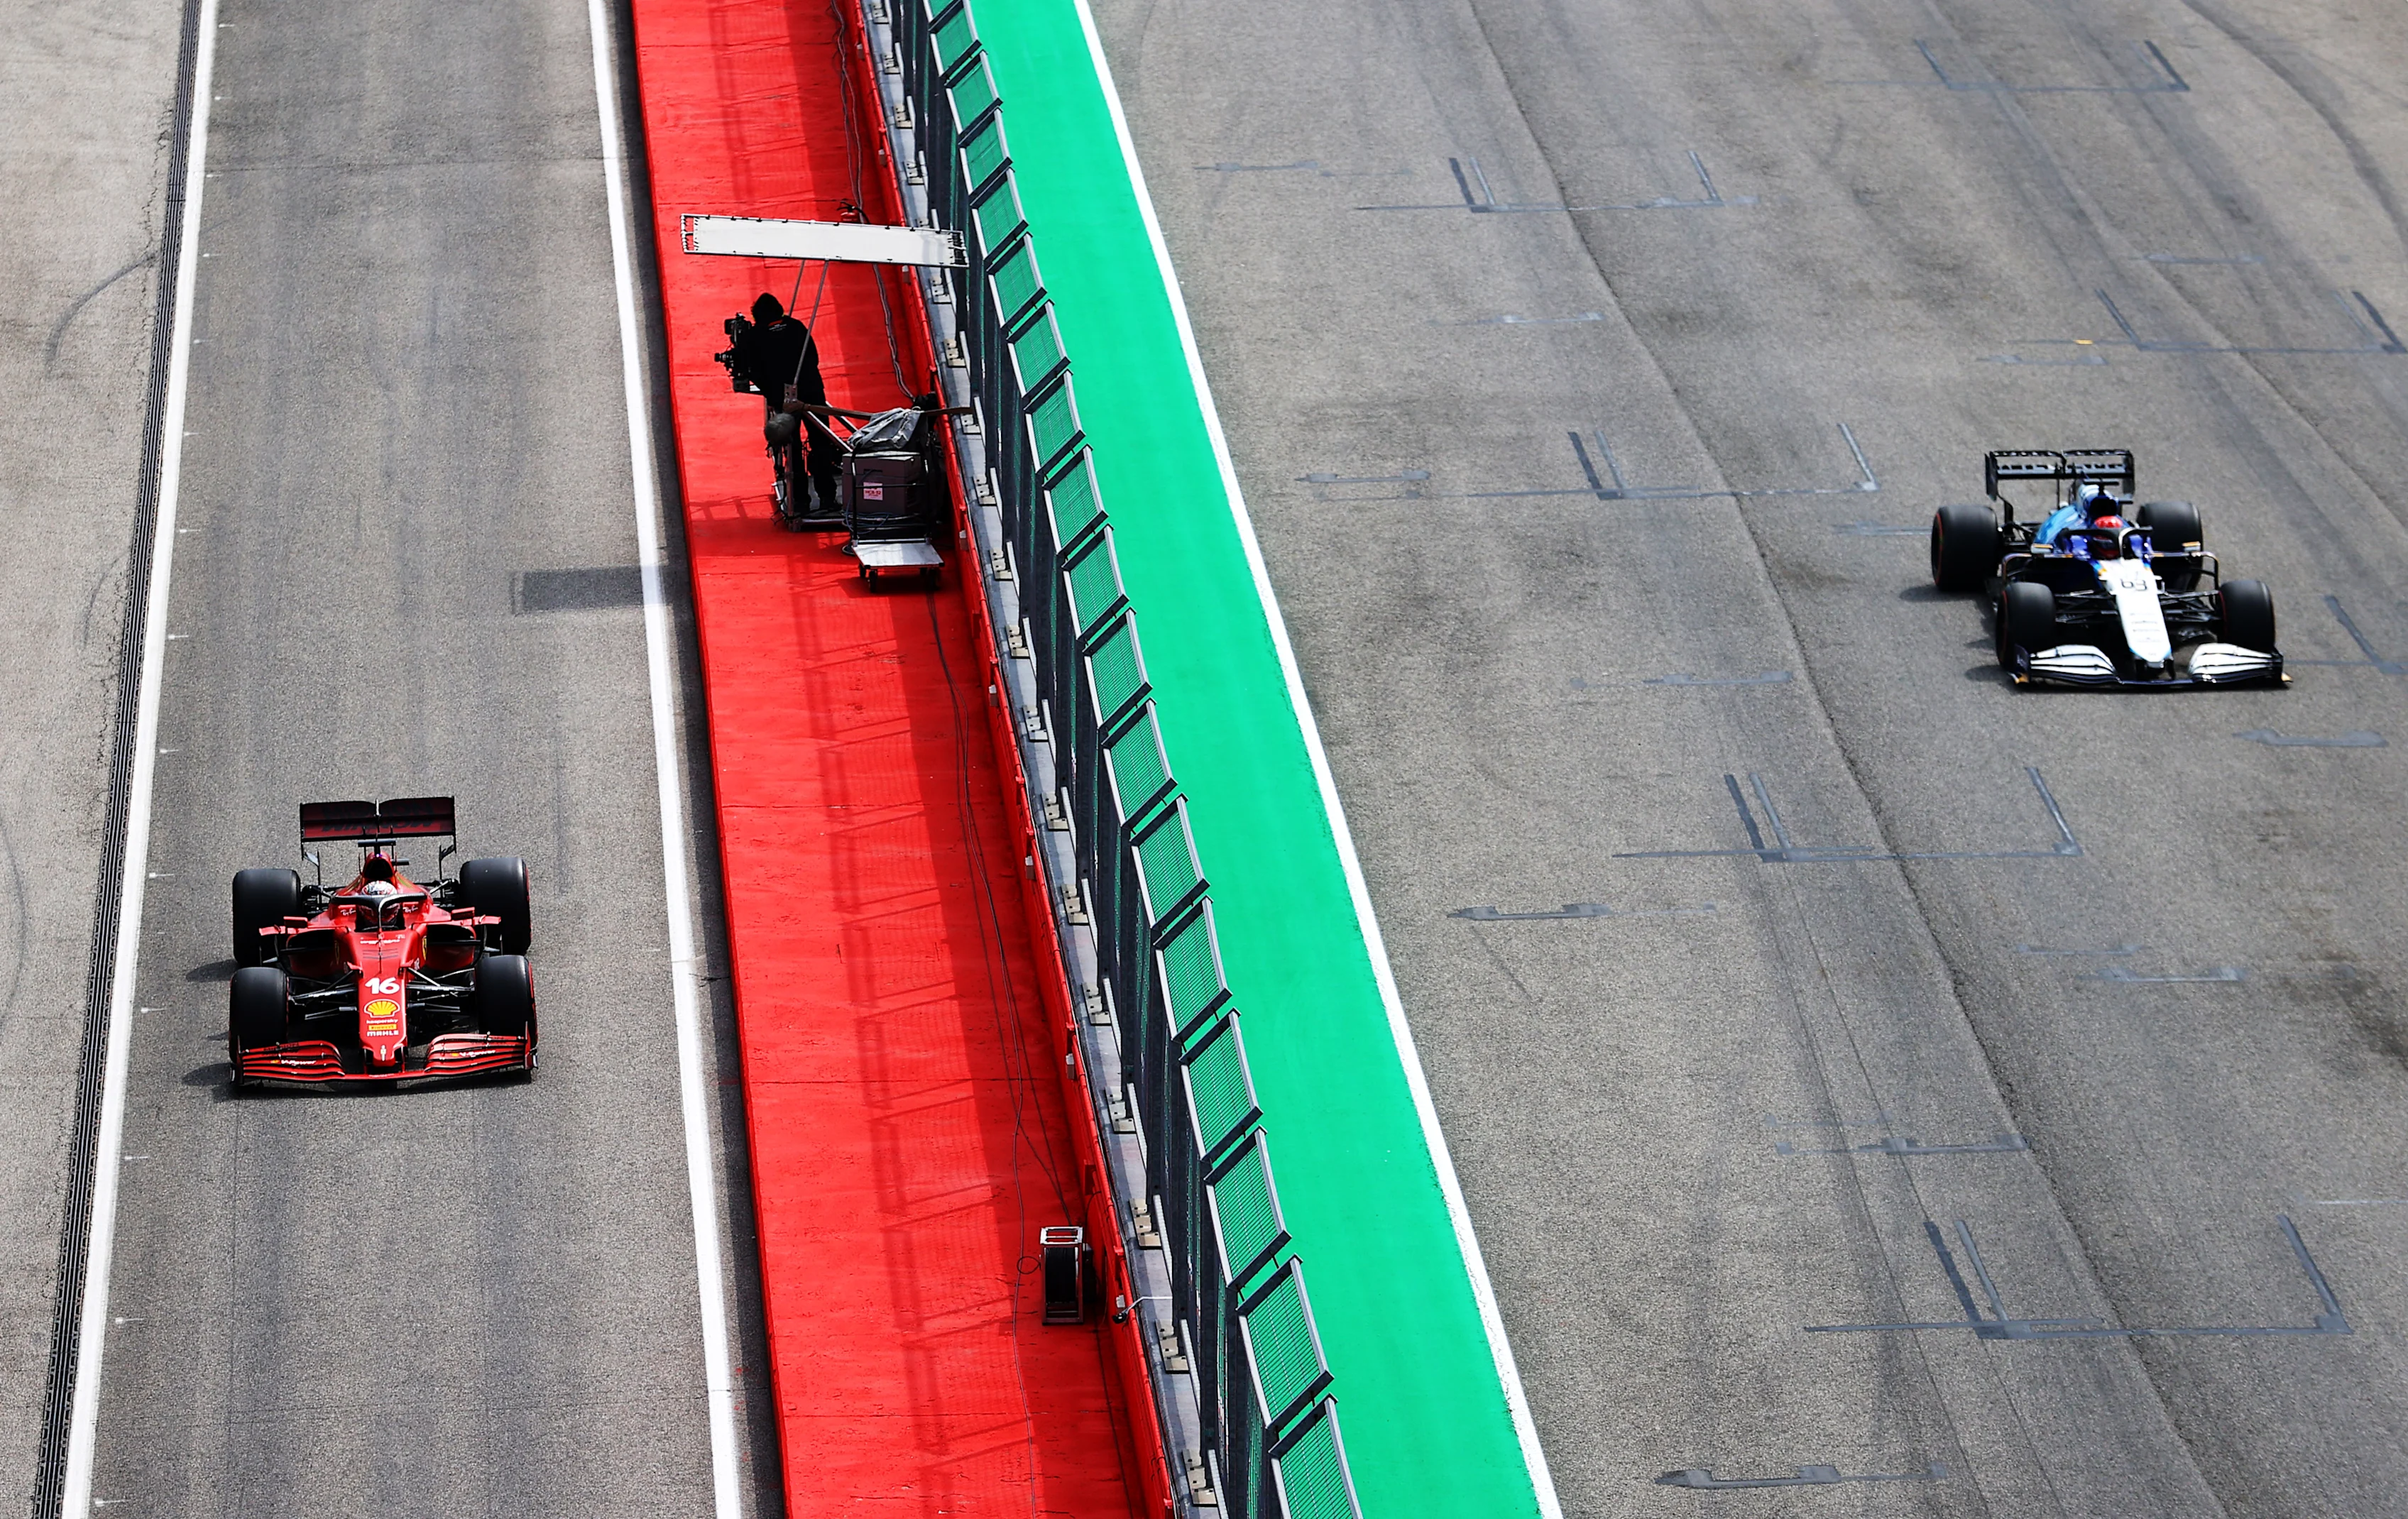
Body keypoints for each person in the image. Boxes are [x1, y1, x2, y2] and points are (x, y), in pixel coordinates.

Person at [731, 292, 841, 516]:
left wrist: (771, 389)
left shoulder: (755, 336)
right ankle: (828, 498)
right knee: (821, 444)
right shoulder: (797, 327)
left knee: (793, 449)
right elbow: (813, 357)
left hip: (782, 399)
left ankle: (799, 502)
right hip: (812, 392)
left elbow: (750, 368)